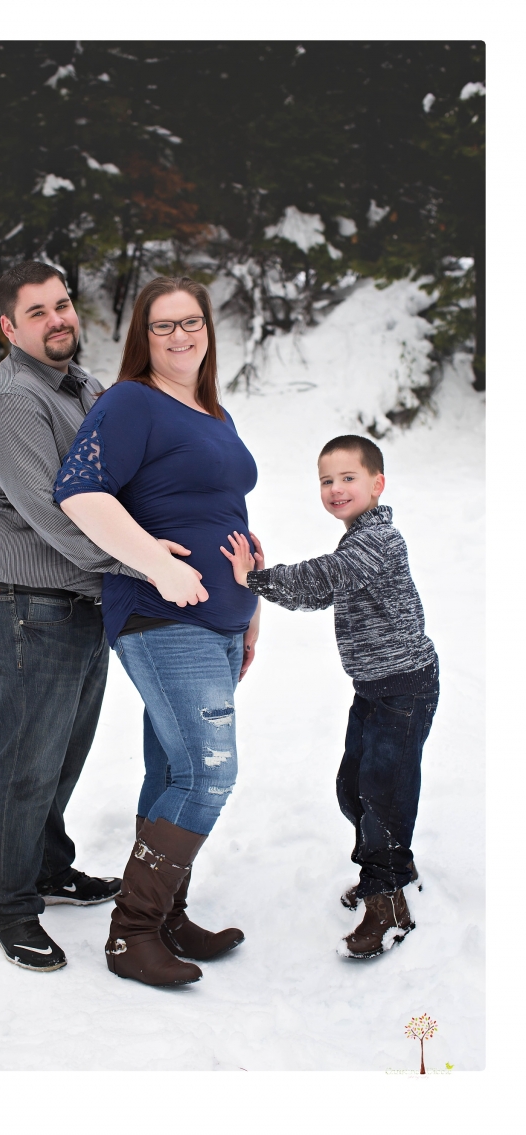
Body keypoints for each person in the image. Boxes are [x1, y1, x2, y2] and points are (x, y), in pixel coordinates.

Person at [54, 276, 262, 988]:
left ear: (209, 330)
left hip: (220, 619)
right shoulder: (131, 403)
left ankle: (167, 916)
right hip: (162, 615)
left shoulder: (213, 413)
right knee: (209, 774)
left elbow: (225, 512)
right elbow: (79, 491)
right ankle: (132, 935)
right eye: (164, 326)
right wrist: (152, 564)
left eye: (192, 322)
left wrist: (252, 606)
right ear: (144, 336)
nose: (180, 336)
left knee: (174, 770)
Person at [0, 260, 146, 973]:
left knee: (61, 754)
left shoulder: (84, 386)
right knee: (23, 764)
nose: (57, 319)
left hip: (80, 600)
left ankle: (46, 867)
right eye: (37, 311)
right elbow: (53, 516)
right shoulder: (14, 401)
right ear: (9, 327)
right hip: (25, 605)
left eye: (63, 304)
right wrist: (144, 565)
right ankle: (8, 907)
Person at [221, 434, 439, 960]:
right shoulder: (357, 537)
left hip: (404, 687)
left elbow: (324, 580)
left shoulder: (380, 540)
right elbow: (325, 590)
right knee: (353, 787)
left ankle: (387, 903)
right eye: (326, 480)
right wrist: (264, 583)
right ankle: (391, 865)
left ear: (376, 484)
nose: (336, 489)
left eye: (348, 478)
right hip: (374, 688)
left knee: (383, 792)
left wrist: (256, 579)